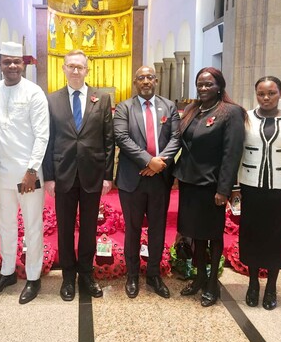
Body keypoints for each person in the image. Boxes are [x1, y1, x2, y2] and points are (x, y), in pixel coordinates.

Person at [43, 49, 115, 301]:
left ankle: (86, 273)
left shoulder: (101, 99)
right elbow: (48, 140)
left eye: (80, 67)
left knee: (88, 228)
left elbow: (109, 139)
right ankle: (67, 278)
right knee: (64, 228)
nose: (75, 70)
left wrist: (108, 175)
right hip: (62, 174)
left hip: (92, 174)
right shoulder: (51, 100)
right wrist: (49, 177)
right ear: (63, 68)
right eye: (70, 66)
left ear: (87, 70)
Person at [0, 42, 50, 304]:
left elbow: (42, 134)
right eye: (6, 61)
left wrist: (32, 170)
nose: (12, 66)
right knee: (5, 225)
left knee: (32, 226)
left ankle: (33, 276)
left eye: (16, 62)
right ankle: (7, 271)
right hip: (1, 173)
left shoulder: (34, 93)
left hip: (27, 175)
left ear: (24, 64)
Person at [174, 67, 245, 307]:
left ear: (219, 86)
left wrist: (223, 190)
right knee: (195, 234)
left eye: (208, 84)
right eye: (200, 84)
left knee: (213, 235)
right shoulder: (193, 110)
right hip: (189, 183)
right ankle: (199, 277)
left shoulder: (231, 113)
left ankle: (212, 282)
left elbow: (232, 153)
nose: (203, 88)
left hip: (212, 186)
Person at [233, 76, 281, 310]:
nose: (266, 98)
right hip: (251, 185)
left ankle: (272, 285)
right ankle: (253, 282)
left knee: (277, 235)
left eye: (271, 93)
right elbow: (240, 150)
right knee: (252, 233)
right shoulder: (246, 118)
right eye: (261, 94)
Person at [113, 66, 181, 299]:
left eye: (149, 77)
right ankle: (132, 275)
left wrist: (159, 163)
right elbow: (121, 137)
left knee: (158, 229)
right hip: (132, 177)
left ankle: (153, 274)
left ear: (156, 80)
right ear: (135, 81)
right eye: (140, 77)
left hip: (159, 178)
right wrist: (148, 160)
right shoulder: (124, 107)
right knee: (131, 229)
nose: (145, 81)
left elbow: (176, 137)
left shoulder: (169, 106)